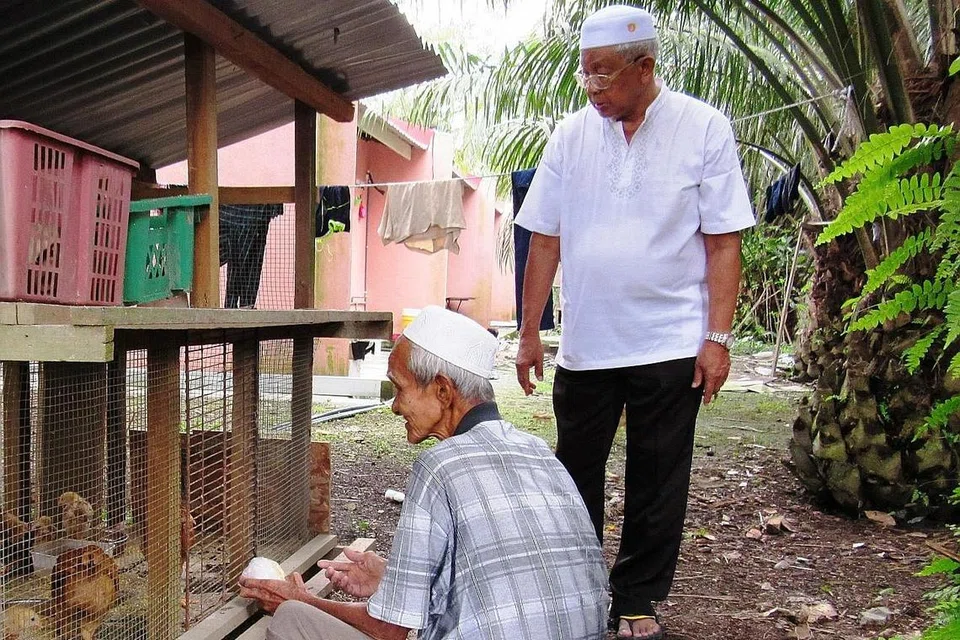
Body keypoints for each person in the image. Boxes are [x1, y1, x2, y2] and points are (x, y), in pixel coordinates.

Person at [514, 5, 754, 639]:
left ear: (644, 68)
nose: (591, 87)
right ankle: (577, 588)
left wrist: (717, 338)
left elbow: (724, 242)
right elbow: (544, 238)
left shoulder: (703, 128)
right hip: (587, 343)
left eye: (604, 73)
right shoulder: (570, 135)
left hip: (670, 339)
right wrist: (530, 331)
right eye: (585, 73)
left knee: (658, 475)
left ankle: (637, 599)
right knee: (574, 473)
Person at [240, 305, 609, 640]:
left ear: (443, 390)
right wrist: (395, 578)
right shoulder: (540, 452)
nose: (395, 406)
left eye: (400, 388)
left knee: (292, 619)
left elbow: (389, 630)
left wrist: (301, 599)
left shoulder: (439, 466)